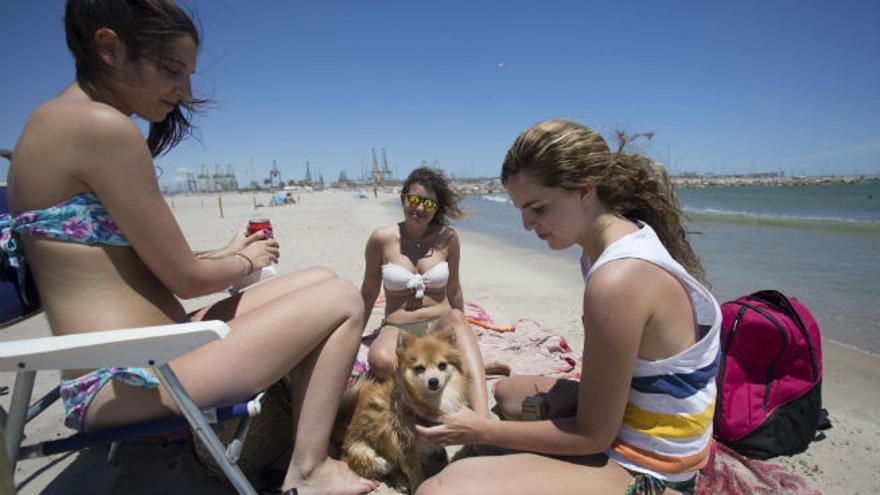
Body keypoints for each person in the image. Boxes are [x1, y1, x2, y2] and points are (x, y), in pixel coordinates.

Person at [3, 2, 376, 494]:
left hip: (144, 352)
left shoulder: (54, 122)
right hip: (130, 377)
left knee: (320, 279)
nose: (185, 91)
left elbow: (121, 266)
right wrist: (245, 260)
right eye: (171, 70)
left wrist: (222, 253)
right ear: (110, 48)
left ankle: (304, 439)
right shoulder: (99, 127)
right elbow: (182, 279)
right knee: (344, 299)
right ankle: (308, 471)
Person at [415, 120, 721, 495]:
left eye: (538, 208)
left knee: (442, 489)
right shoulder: (612, 241)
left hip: (652, 466)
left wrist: (482, 430)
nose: (528, 224)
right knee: (509, 395)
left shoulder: (617, 279)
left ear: (585, 191)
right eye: (521, 210)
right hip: (633, 414)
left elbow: (593, 435)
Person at [360, 167, 490, 416]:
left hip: (438, 323)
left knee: (456, 319)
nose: (420, 208)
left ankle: (483, 419)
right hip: (398, 326)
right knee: (381, 361)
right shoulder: (381, 239)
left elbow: (454, 289)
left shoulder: (448, 237)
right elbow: (368, 292)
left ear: (437, 208)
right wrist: (354, 336)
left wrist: (463, 331)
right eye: (415, 200)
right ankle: (431, 404)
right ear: (403, 199)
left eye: (429, 204)